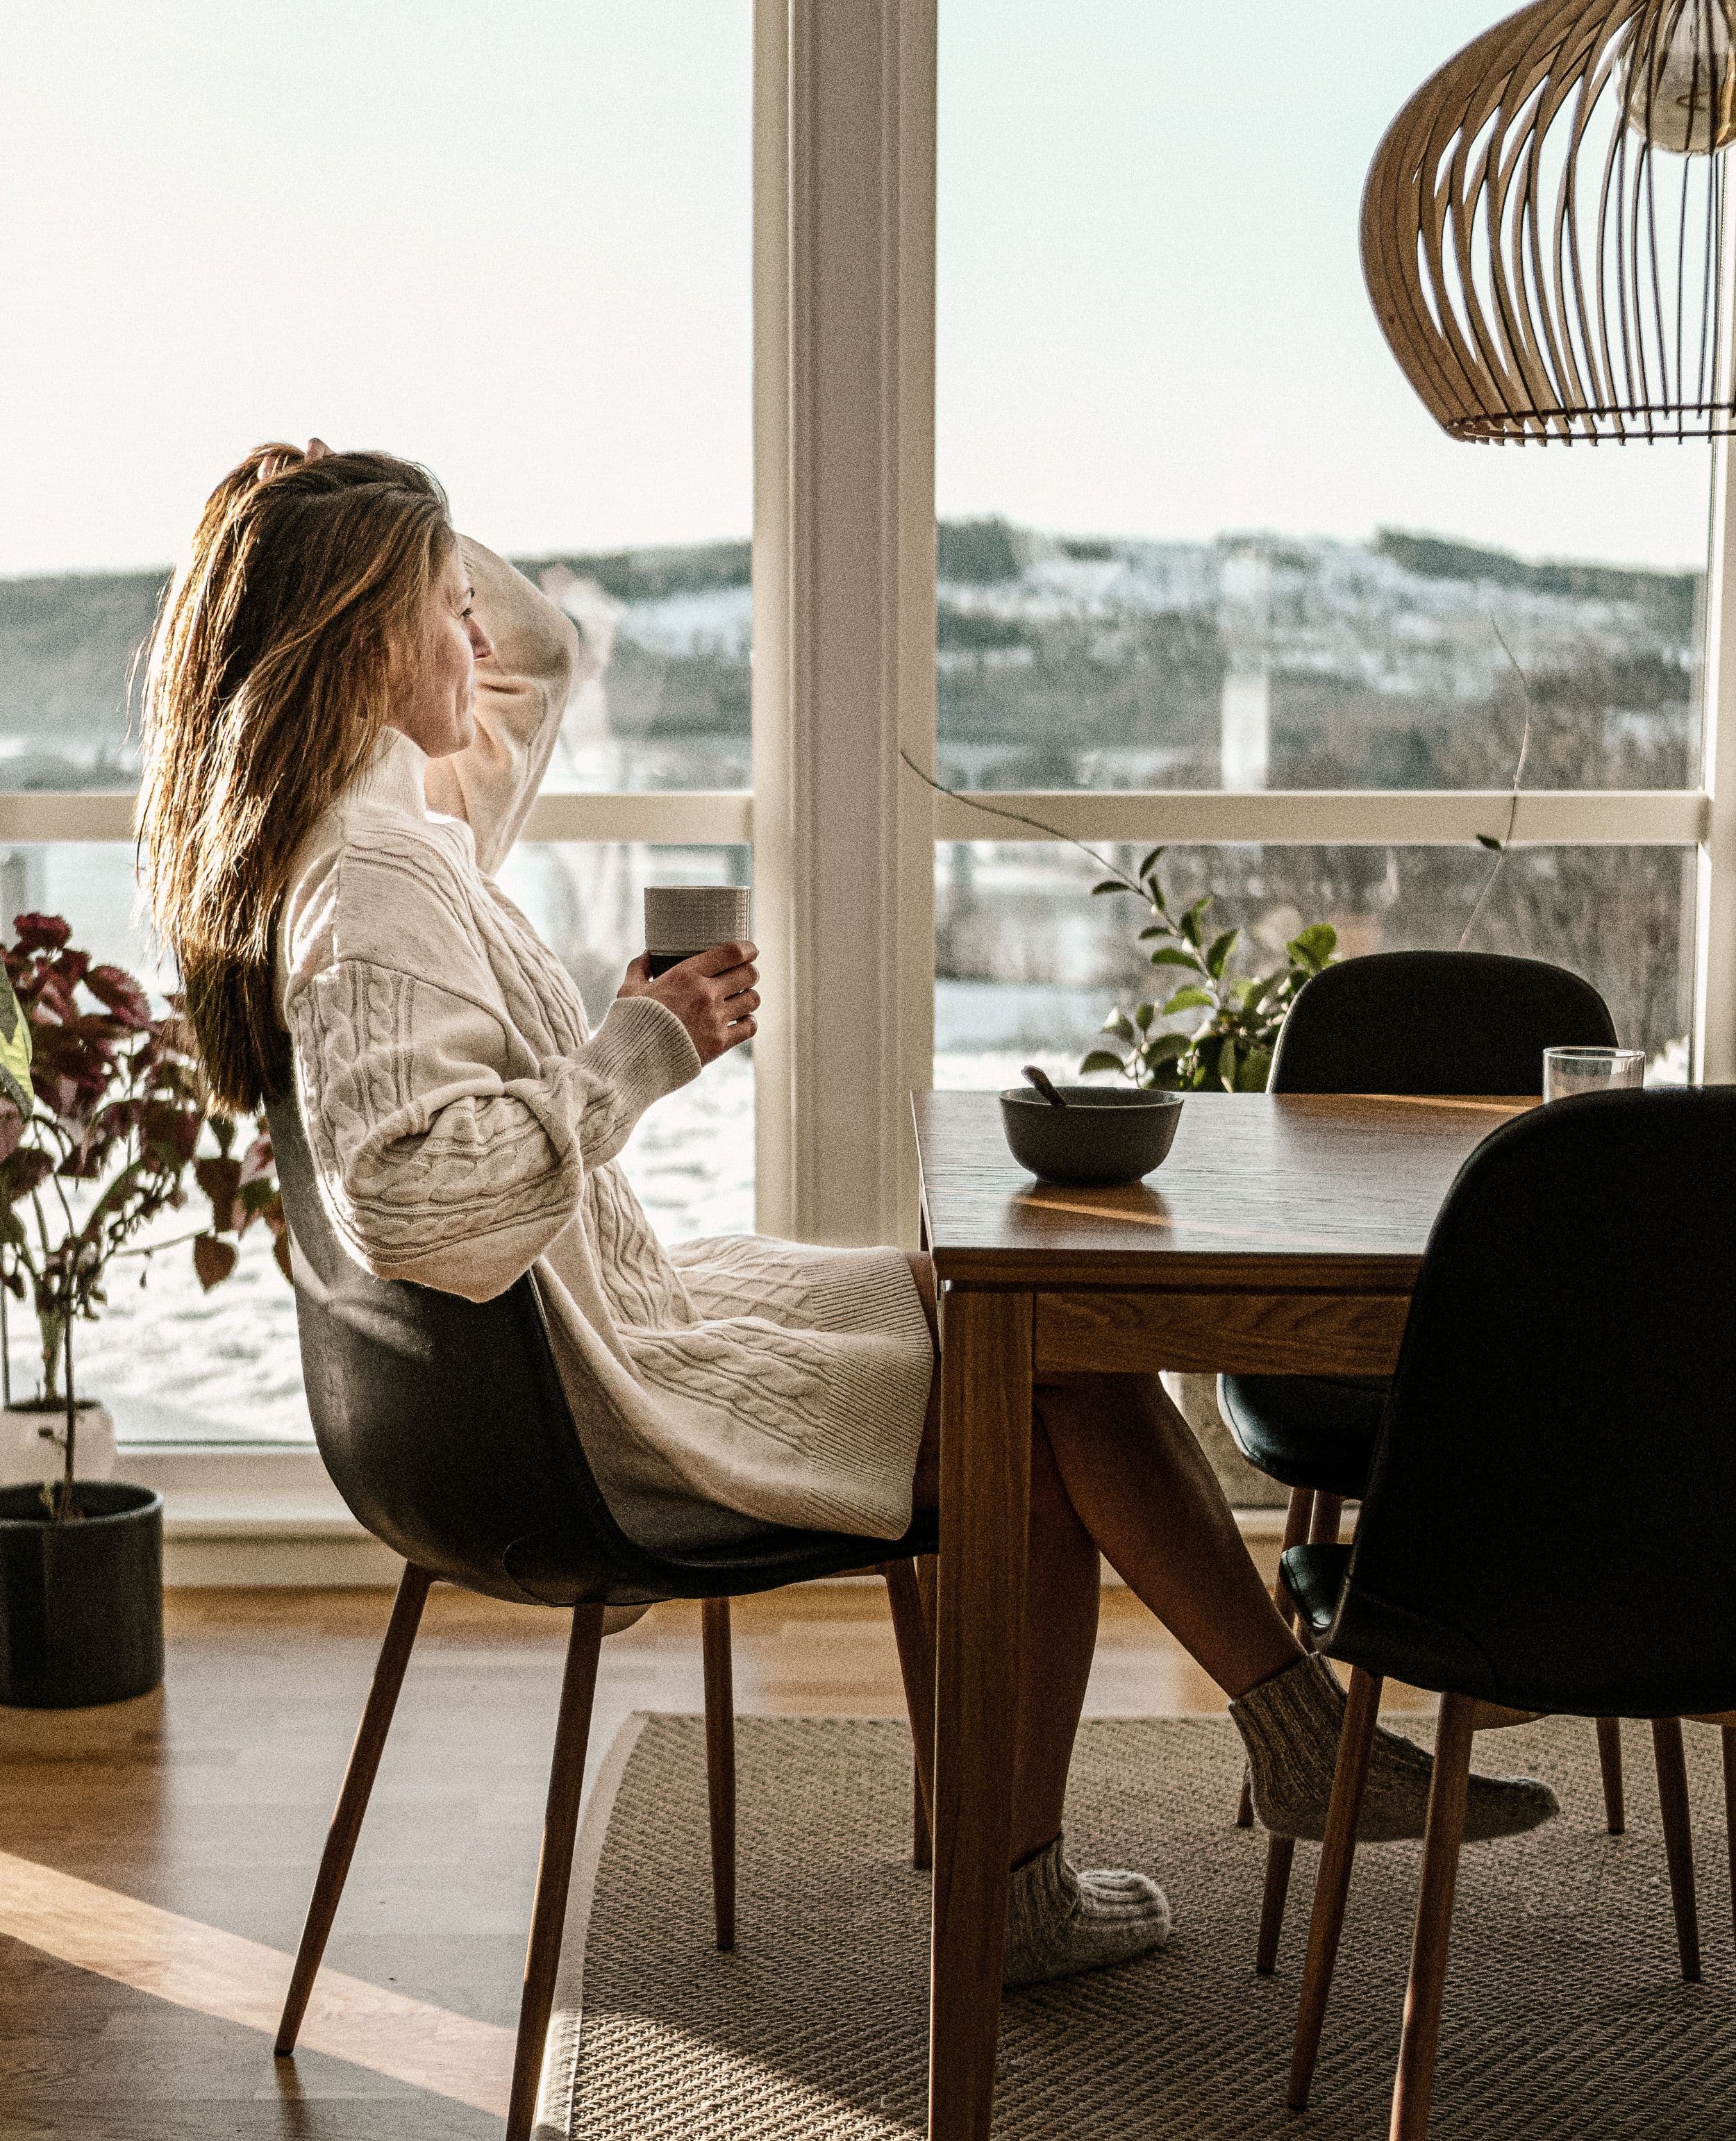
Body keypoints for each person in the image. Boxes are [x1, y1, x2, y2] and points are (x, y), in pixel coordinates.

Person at [139, 443, 1555, 1991]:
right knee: (1036, 1383)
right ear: (360, 643)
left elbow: (537, 658)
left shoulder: (373, 835)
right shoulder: (375, 882)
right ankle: (1208, 1782)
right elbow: (423, 1202)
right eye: (441, 607)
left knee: (1022, 1330)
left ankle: (1268, 1744)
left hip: (608, 1330)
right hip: (600, 1404)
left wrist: (358, 519)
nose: (479, 638)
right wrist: (643, 1050)